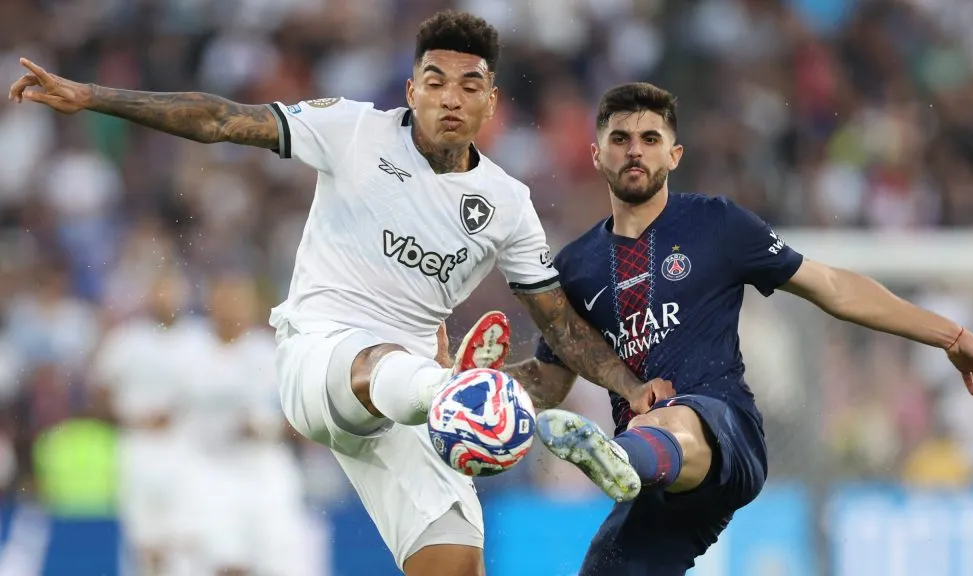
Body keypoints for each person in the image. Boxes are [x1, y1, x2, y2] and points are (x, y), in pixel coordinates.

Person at [9, 11, 669, 576]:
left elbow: (559, 324)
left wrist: (630, 388)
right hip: (323, 360)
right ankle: (485, 405)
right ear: (411, 89)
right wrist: (89, 95)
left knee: (456, 558)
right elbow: (219, 119)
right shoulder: (353, 130)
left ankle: (486, 404)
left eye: (469, 85)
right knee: (389, 364)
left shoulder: (506, 205)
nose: (450, 98)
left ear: (491, 101)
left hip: (410, 399)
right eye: (435, 82)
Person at [493, 82, 973, 575]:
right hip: (653, 484)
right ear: (596, 154)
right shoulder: (577, 267)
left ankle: (618, 455)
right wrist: (469, 380)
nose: (635, 151)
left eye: (651, 139)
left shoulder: (717, 224)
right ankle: (623, 459)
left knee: (667, 420)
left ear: (674, 155)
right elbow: (549, 380)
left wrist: (950, 334)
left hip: (724, 432)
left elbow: (832, 287)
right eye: (621, 139)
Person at [176, 273, 309, 575]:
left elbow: (302, 419)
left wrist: (267, 427)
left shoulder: (274, 351)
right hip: (211, 469)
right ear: (210, 303)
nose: (231, 308)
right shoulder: (189, 351)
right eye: (223, 300)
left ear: (252, 306)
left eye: (238, 301)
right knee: (224, 562)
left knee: (275, 563)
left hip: (264, 469)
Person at [89, 267, 207, 575]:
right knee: (143, 539)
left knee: (184, 538)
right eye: (159, 291)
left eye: (171, 291)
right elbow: (99, 392)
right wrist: (131, 417)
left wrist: (181, 412)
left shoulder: (199, 339)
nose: (165, 298)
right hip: (138, 448)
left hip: (186, 449)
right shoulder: (127, 339)